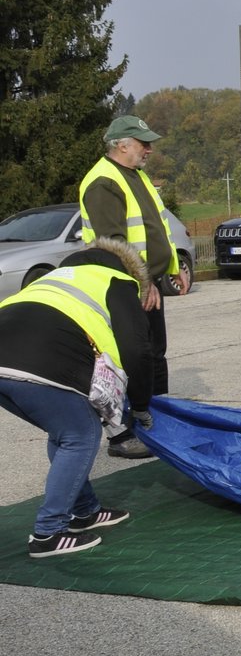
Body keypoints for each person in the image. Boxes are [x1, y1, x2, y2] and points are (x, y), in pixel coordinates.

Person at [0, 238, 152, 557]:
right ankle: (49, 533)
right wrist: (140, 408)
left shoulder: (54, 277)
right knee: (80, 434)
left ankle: (85, 512)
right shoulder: (119, 280)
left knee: (65, 430)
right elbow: (137, 351)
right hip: (36, 362)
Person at [79, 114, 190, 459]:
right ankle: (122, 434)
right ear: (122, 145)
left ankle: (158, 421)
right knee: (130, 358)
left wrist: (172, 268)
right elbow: (113, 244)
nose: (150, 150)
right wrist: (142, 283)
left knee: (154, 353)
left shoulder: (136, 176)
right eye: (144, 144)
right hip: (121, 284)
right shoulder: (103, 182)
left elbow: (156, 229)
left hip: (146, 280)